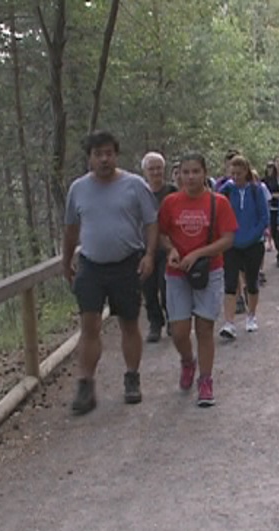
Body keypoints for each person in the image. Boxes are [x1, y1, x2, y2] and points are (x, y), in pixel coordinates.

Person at [62, 130, 159, 414]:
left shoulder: (134, 185)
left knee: (129, 322)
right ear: (90, 158)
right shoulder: (78, 189)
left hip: (127, 263)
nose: (104, 159)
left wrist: (150, 256)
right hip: (91, 264)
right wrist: (66, 260)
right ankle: (85, 384)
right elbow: (71, 228)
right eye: (98, 154)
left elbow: (151, 222)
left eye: (109, 153)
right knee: (89, 324)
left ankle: (132, 377)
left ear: (115, 155)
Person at [159, 152, 237, 407]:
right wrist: (171, 250)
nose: (190, 177)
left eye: (195, 171)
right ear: (179, 174)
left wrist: (198, 254)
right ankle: (187, 361)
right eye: (185, 172)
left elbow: (227, 239)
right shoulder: (170, 203)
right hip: (177, 274)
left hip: (209, 271)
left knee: (204, 328)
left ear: (204, 173)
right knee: (179, 331)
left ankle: (205, 380)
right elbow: (162, 234)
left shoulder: (218, 202)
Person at [218, 156, 270, 339]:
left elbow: (264, 217)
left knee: (251, 281)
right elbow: (218, 212)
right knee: (230, 283)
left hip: (253, 244)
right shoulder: (225, 191)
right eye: (232, 173)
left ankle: (251, 316)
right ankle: (229, 322)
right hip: (231, 244)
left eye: (239, 173)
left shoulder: (256, 191)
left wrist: (251, 235)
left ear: (246, 172)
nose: (235, 177)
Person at [141, 151, 176, 342]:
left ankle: (171, 319)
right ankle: (155, 323)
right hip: (144, 247)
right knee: (148, 288)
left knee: (167, 285)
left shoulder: (173, 191)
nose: (155, 172)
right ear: (145, 171)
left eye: (158, 168)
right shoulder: (139, 192)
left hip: (168, 247)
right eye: (151, 169)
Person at [263, 157, 279, 268]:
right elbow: (264, 189)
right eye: (277, 161)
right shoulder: (269, 178)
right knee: (273, 231)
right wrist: (273, 195)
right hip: (272, 208)